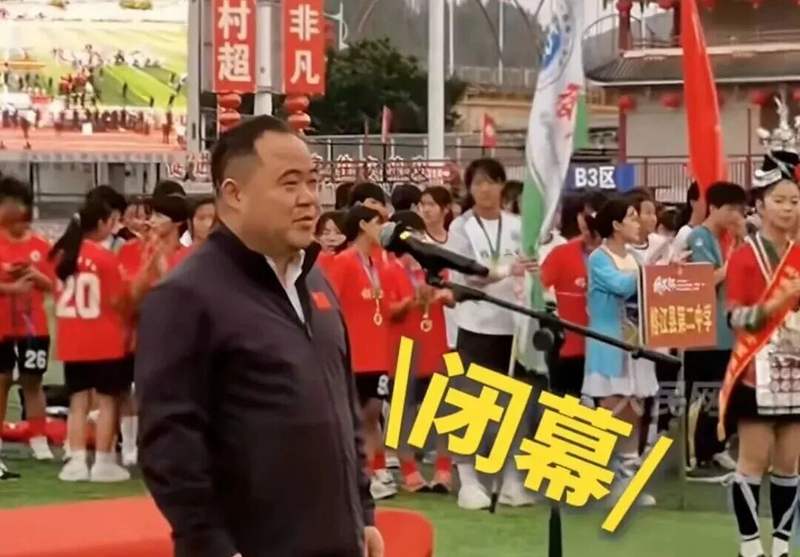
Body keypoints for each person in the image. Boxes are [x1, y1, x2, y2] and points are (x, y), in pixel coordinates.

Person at [135, 116, 382, 557]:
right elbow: (170, 447)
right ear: (234, 194)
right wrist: (213, 546)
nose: (309, 198)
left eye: (313, 182)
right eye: (289, 184)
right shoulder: (187, 296)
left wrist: (361, 514)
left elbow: (343, 410)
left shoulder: (315, 282)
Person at [446, 157, 540, 510]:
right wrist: (503, 271)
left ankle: (512, 479)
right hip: (476, 326)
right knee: (472, 405)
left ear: (503, 186)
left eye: (491, 182)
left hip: (514, 327)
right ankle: (468, 481)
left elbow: (532, 265)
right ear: (469, 189)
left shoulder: (518, 225)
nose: (485, 189)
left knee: (514, 407)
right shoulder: (461, 227)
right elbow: (465, 272)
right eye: (478, 183)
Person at [719, 178, 800, 557]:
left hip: (795, 368)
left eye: (794, 201)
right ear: (762, 206)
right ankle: (750, 547)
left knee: (789, 464)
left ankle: (781, 546)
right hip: (756, 370)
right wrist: (776, 304)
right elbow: (735, 318)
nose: (788, 208)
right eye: (779, 200)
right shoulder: (744, 256)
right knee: (753, 462)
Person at [50, 197, 131, 482]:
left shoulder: (62, 256)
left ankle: (76, 461)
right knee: (107, 401)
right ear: (100, 223)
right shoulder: (105, 258)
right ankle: (103, 462)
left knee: (78, 401)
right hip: (104, 339)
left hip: (72, 339)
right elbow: (119, 300)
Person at [583, 196, 657, 505]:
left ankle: (627, 479)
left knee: (633, 409)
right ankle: (597, 477)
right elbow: (622, 286)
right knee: (611, 407)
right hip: (608, 343)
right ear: (615, 224)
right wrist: (651, 271)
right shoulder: (599, 258)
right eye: (632, 217)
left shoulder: (635, 258)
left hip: (635, 344)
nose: (638, 223)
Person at [327, 205, 397, 500]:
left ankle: (378, 471)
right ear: (363, 226)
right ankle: (358, 474)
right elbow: (330, 304)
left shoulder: (378, 262)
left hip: (377, 352)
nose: (383, 229)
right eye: (378, 223)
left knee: (373, 414)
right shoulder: (344, 262)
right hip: (352, 353)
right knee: (355, 415)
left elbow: (386, 305)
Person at [383, 210, 453, 494]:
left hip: (435, 348)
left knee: (443, 411)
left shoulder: (437, 268)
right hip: (403, 351)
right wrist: (413, 300)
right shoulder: (387, 270)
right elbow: (388, 311)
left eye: (418, 235)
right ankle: (410, 471)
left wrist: (444, 295)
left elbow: (452, 296)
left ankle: (443, 471)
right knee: (404, 413)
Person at [685, 181, 747, 478]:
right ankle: (697, 454)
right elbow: (706, 279)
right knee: (702, 392)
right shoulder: (699, 237)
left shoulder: (730, 238)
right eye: (731, 209)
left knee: (724, 392)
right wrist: (735, 255)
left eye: (740, 210)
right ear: (713, 208)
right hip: (704, 332)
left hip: (727, 331)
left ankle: (715, 448)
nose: (737, 215)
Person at [0, 183, 54, 462]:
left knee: (32, 381)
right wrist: (11, 287)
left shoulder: (41, 246)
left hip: (34, 326)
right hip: (1, 326)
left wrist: (33, 275)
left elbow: (54, 285)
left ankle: (38, 438)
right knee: (2, 380)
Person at [540, 191, 605, 398]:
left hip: (608, 350)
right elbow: (538, 287)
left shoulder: (621, 253)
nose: (586, 221)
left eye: (592, 215)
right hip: (570, 349)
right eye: (582, 215)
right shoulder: (562, 253)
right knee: (566, 408)